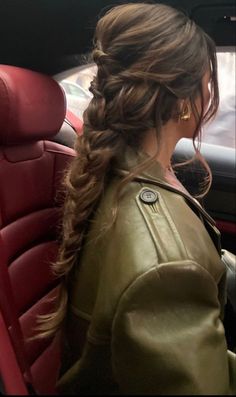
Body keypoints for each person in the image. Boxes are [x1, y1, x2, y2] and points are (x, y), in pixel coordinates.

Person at [39, 2, 236, 394]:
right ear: (181, 98)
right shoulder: (167, 266)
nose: (211, 92)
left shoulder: (121, 167)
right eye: (207, 80)